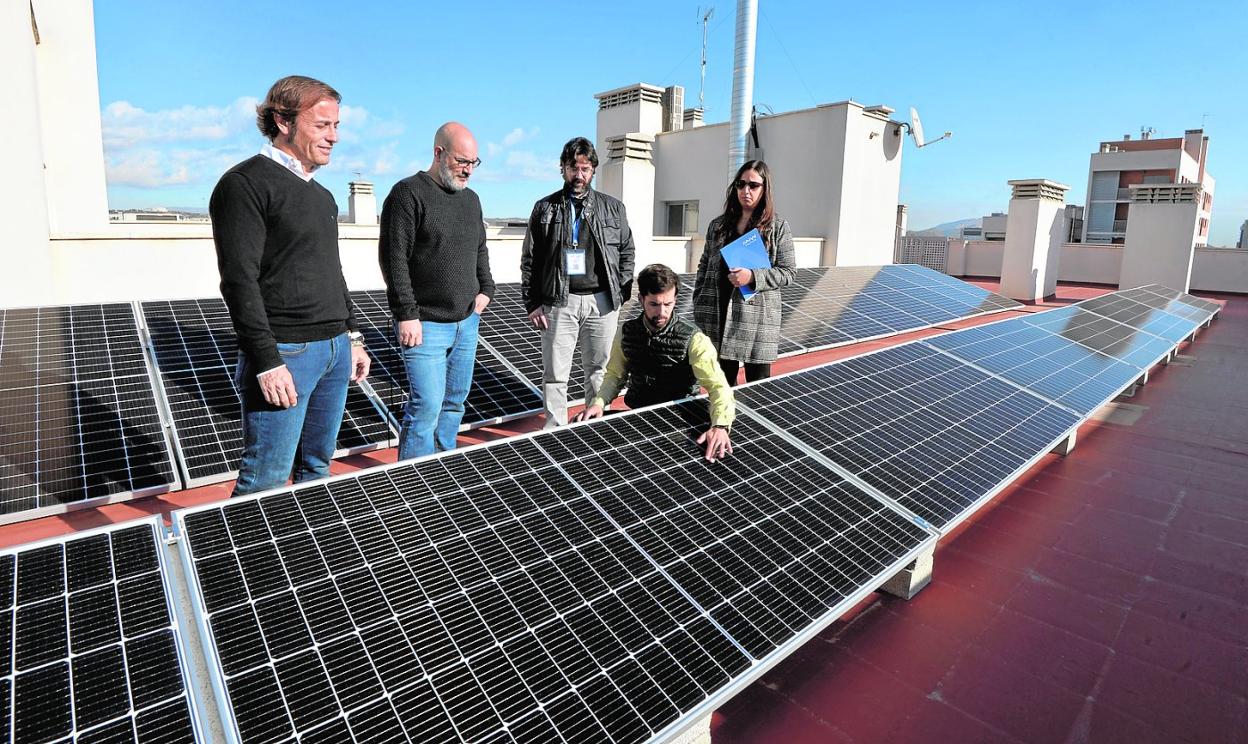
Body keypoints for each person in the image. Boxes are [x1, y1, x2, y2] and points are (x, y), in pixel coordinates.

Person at [210, 75, 370, 496]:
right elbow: (239, 281)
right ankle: (244, 543)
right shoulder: (244, 184)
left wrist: (352, 337)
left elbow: (332, 272)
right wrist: (266, 361)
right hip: (287, 353)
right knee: (265, 478)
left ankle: (304, 540)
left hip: (335, 350)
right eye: (322, 125)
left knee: (317, 467)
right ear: (283, 121)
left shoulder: (322, 196)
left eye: (336, 126)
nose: (334, 136)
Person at [379, 122, 494, 459]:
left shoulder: (471, 200)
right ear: (438, 153)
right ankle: (415, 479)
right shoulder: (407, 194)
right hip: (425, 325)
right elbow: (393, 258)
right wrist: (406, 314)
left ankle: (443, 470)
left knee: (455, 403)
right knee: (426, 406)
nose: (468, 170)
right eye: (462, 161)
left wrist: (486, 288)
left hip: (467, 321)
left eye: (473, 163)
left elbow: (479, 248)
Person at [521, 137, 636, 428]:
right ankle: (554, 430)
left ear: (593, 170)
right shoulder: (544, 208)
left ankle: (594, 427)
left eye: (585, 169)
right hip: (560, 301)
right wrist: (533, 303)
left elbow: (627, 251)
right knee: (555, 374)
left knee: (599, 371)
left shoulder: (613, 208)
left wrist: (620, 293)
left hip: (602, 302)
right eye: (573, 168)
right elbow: (530, 259)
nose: (579, 175)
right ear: (563, 168)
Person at [578, 264, 734, 461]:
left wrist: (720, 425)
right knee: (582, 432)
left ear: (675, 300)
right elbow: (615, 375)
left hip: (680, 420)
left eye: (668, 304)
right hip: (640, 416)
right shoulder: (626, 332)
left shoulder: (695, 339)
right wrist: (599, 403)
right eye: (654, 304)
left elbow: (718, 386)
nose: (662, 312)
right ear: (641, 299)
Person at [692, 159, 796, 385]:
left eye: (753, 185)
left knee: (758, 388)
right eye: (740, 184)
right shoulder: (718, 225)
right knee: (721, 385)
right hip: (718, 314)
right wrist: (698, 298)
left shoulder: (778, 227)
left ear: (765, 189)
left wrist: (752, 277)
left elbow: (788, 272)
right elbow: (704, 264)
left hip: (757, 321)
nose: (745, 190)